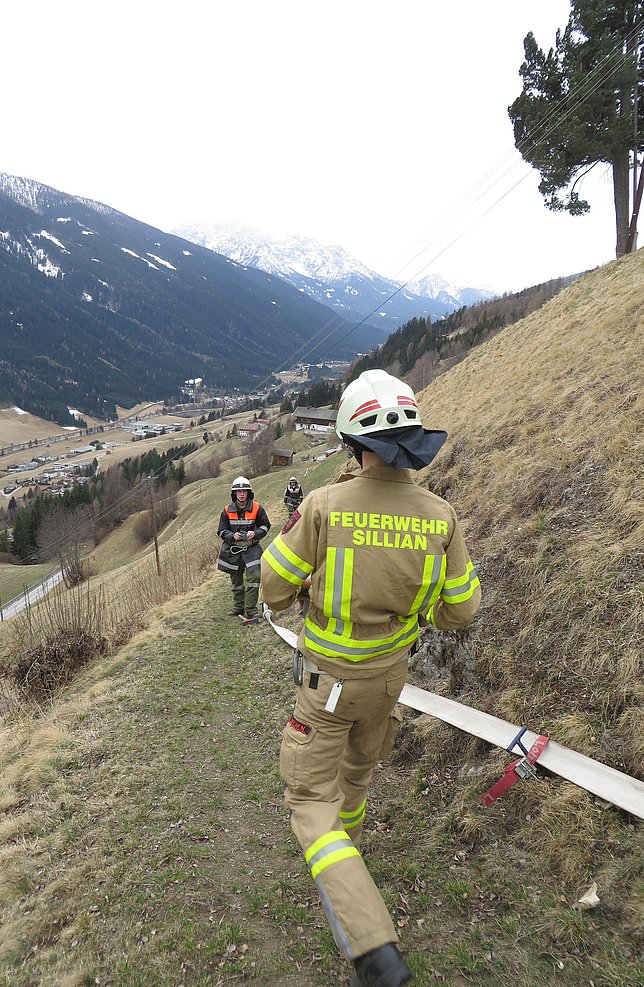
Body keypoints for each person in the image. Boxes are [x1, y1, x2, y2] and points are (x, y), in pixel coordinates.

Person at [260, 369, 481, 987]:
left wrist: (299, 591)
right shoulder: (441, 517)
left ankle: (374, 949)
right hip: (390, 680)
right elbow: (462, 610)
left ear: (355, 445)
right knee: (358, 771)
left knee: (309, 801)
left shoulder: (326, 506)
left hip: (326, 684)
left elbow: (274, 586)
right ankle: (351, 862)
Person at [217, 475, 271, 623]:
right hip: (233, 550)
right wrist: (231, 536)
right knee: (236, 580)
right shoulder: (227, 510)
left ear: (248, 493)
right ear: (234, 493)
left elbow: (266, 525)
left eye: (244, 491)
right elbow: (221, 531)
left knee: (254, 578)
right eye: (238, 491)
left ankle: (251, 609)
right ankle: (238, 607)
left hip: (252, 549)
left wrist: (255, 533)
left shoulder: (257, 508)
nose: (241, 494)